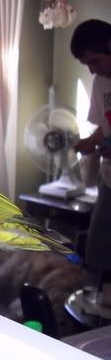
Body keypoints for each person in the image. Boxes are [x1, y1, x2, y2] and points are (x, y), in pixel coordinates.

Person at [71, 19, 111, 286]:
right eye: (87, 65)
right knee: (97, 250)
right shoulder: (100, 83)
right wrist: (90, 142)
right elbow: (105, 128)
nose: (93, 69)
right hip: (108, 180)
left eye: (95, 61)